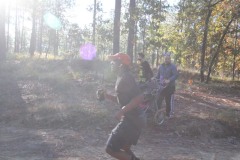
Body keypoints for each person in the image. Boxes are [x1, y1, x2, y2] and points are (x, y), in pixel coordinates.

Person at [103, 53, 146, 160]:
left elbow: (139, 97)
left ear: (121, 64)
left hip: (132, 120)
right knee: (125, 148)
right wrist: (107, 96)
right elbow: (123, 101)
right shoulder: (121, 76)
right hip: (135, 119)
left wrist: (122, 111)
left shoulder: (126, 77)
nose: (111, 64)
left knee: (110, 148)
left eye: (114, 62)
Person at [156, 53, 178, 118]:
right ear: (164, 59)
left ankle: (168, 114)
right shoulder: (161, 66)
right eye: (165, 59)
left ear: (170, 59)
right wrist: (154, 78)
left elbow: (176, 75)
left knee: (168, 101)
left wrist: (169, 80)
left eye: (168, 59)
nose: (166, 60)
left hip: (170, 87)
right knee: (159, 100)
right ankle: (158, 113)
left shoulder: (173, 66)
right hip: (161, 86)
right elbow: (158, 75)